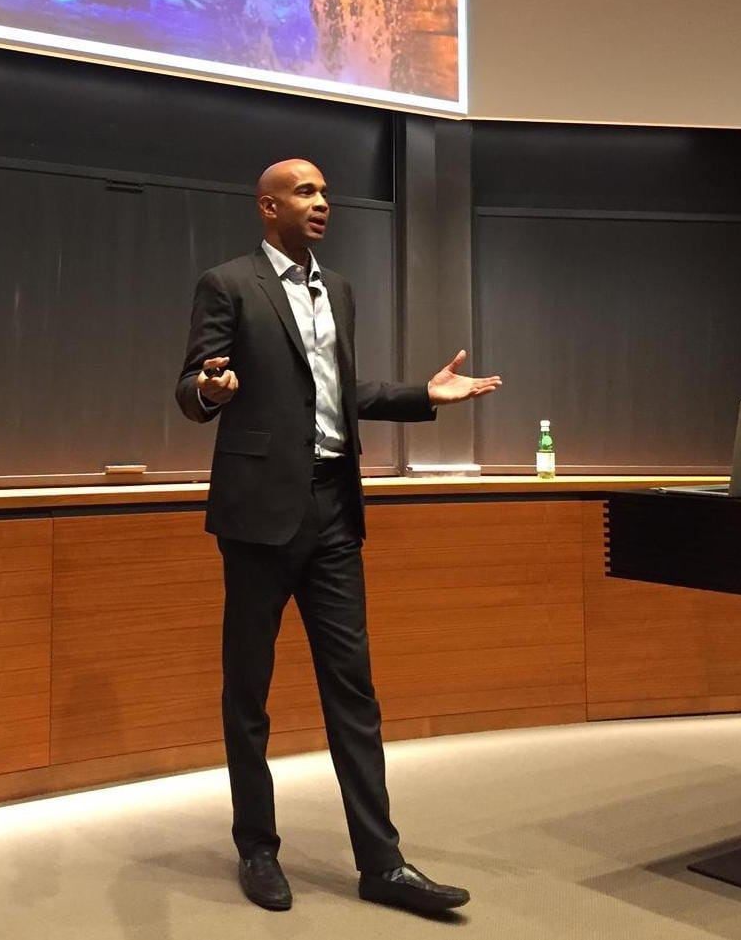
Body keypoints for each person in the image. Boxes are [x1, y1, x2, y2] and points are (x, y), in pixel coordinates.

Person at [176, 159, 502, 913]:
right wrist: (209, 389)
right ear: (268, 206)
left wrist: (423, 393)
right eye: (305, 192)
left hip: (332, 511)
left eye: (325, 192)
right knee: (248, 693)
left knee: (353, 690)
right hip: (259, 517)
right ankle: (257, 847)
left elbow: (336, 393)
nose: (323, 202)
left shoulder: (339, 291)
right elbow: (193, 382)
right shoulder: (228, 284)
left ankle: (380, 863)